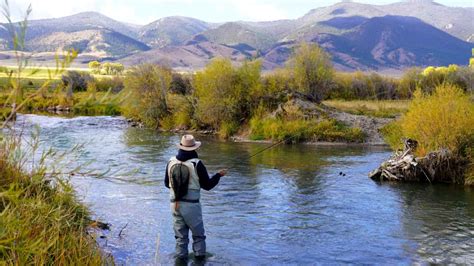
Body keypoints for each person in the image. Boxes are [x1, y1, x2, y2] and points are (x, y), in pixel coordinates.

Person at [164, 134, 227, 261]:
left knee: (180, 238)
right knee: (198, 237)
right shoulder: (196, 164)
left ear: (181, 147)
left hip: (174, 205)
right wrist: (218, 175)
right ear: (194, 148)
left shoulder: (171, 161)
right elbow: (208, 185)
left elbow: (166, 183)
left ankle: (180, 261)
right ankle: (199, 262)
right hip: (192, 206)